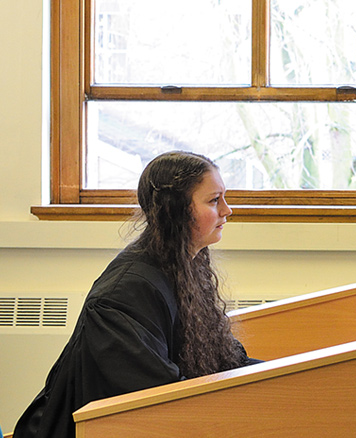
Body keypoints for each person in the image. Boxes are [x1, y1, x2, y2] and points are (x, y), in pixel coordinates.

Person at [16, 151, 259, 438]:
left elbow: (226, 360)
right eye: (213, 200)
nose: (227, 210)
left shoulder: (181, 266)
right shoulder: (123, 294)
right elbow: (157, 399)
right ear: (176, 210)